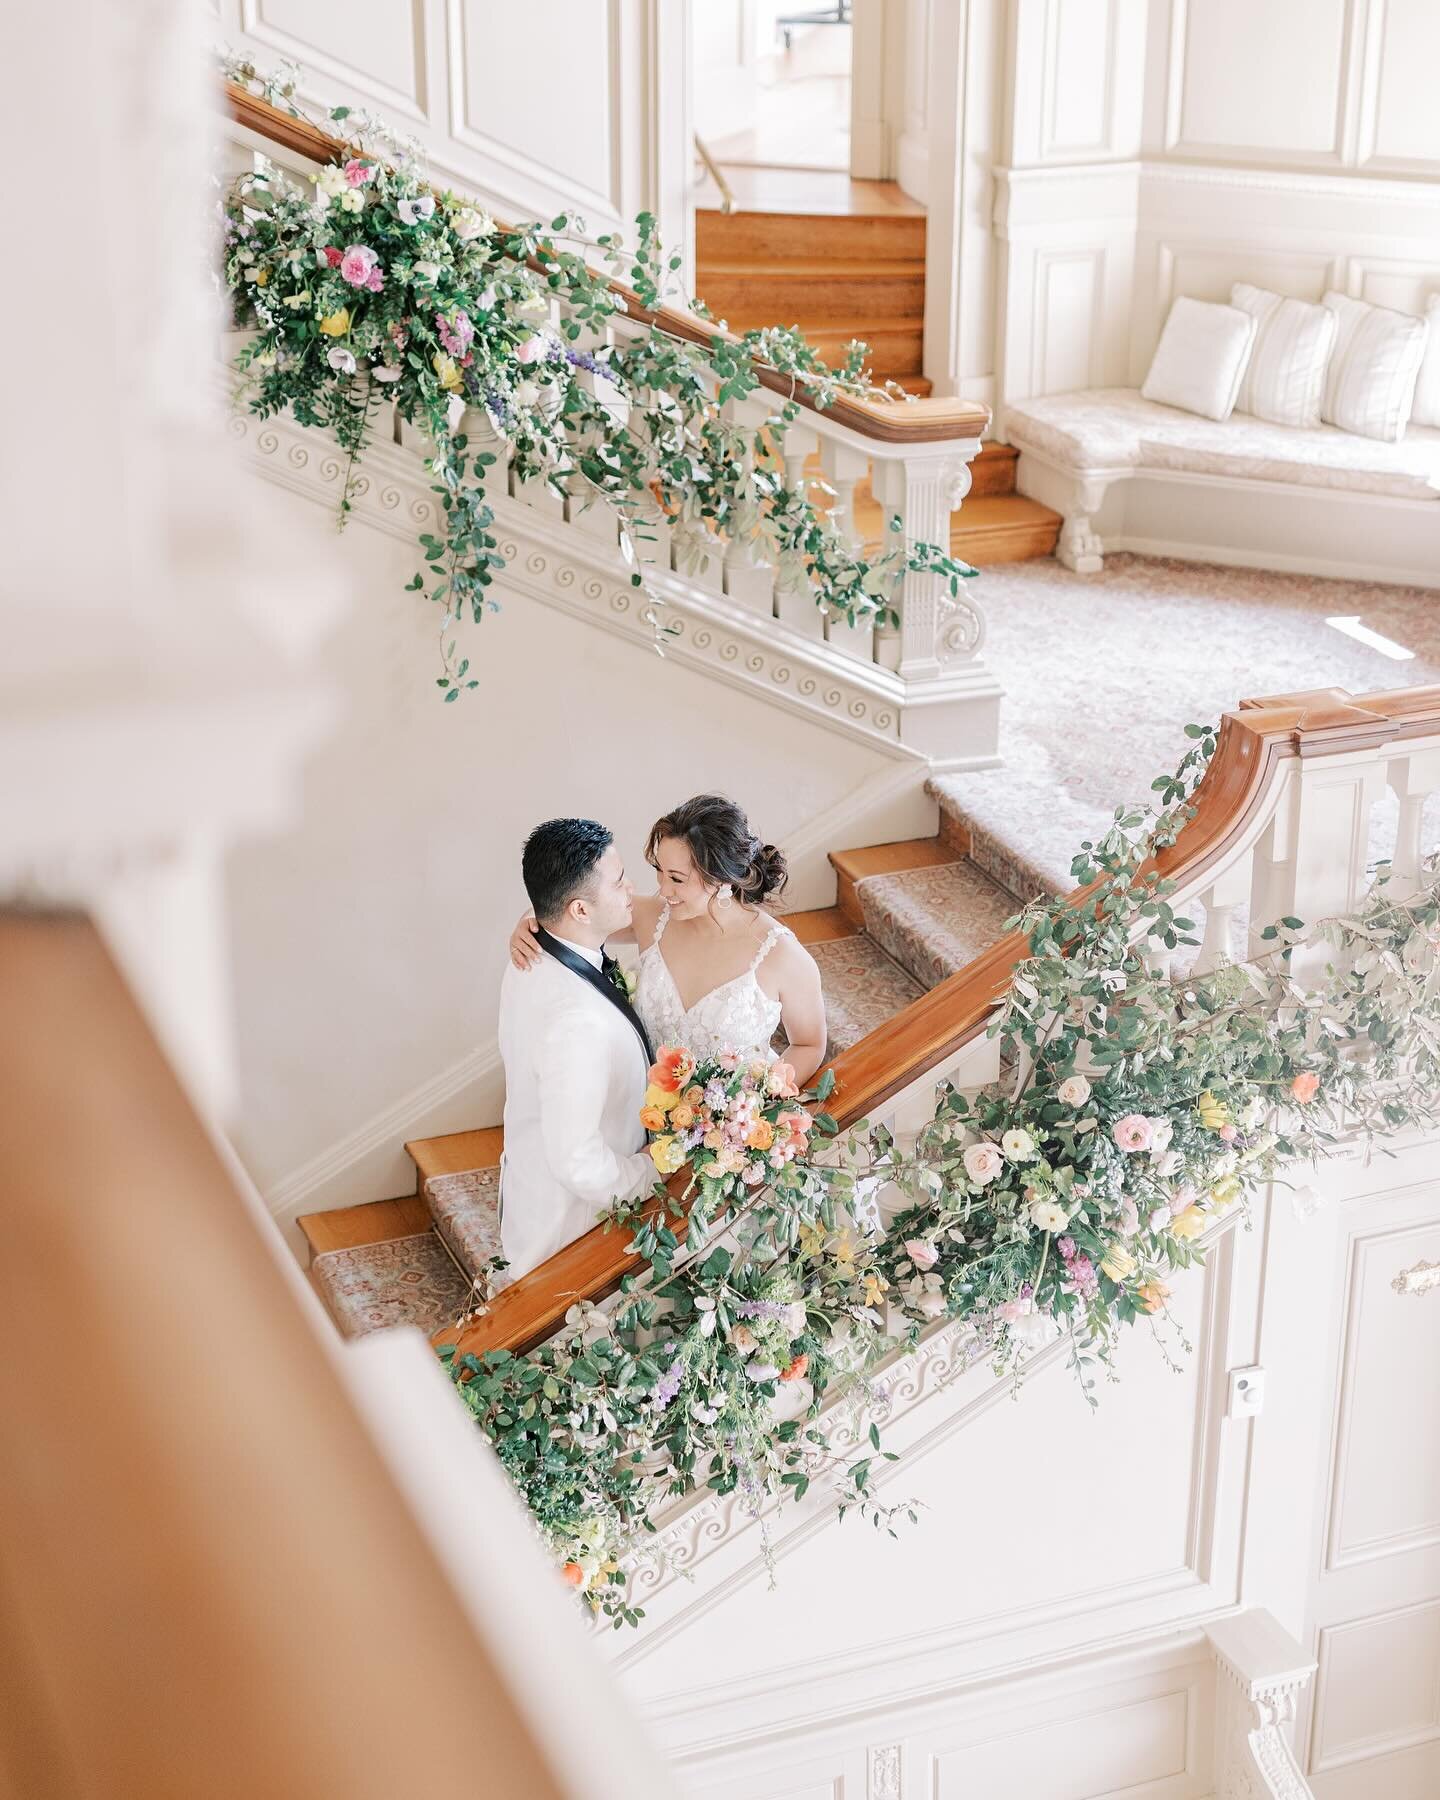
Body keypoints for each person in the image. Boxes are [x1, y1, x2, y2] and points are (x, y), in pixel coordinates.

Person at [510, 794, 827, 1085]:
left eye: (676, 879)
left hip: (723, 1134)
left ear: (722, 878)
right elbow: (573, 909)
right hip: (640, 1113)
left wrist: (748, 1110)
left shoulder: (782, 957)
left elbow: (809, 1044)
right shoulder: (652, 917)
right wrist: (529, 920)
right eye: (659, 871)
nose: (663, 889)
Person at [496, 817, 658, 1283]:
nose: (632, 888)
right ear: (581, 911)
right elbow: (578, 1162)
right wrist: (652, 1169)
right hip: (573, 1227)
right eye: (620, 880)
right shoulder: (576, 1022)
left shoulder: (533, 951)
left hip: (532, 1184)